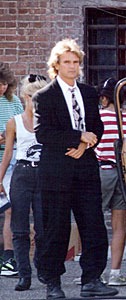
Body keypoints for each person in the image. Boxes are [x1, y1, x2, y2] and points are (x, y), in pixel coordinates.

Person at [33, 39, 118, 299]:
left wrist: (86, 144)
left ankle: (91, 279)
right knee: (55, 228)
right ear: (56, 66)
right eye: (66, 62)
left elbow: (98, 128)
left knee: (93, 225)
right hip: (56, 171)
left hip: (86, 168)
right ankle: (53, 283)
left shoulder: (89, 93)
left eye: (76, 62)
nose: (72, 67)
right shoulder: (44, 96)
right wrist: (78, 138)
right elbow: (43, 133)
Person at [0, 74, 48, 291]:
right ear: (25, 97)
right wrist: (0, 179)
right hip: (22, 173)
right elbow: (8, 153)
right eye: (33, 98)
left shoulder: (49, 121)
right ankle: (23, 273)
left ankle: (42, 267)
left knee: (43, 226)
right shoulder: (15, 122)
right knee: (19, 226)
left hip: (44, 174)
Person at [95, 78, 126, 286]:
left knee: (92, 223)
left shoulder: (96, 117)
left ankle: (93, 272)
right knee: (119, 225)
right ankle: (115, 273)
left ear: (104, 98)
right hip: (124, 174)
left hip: (101, 171)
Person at [0, 62, 23, 277]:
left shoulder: (15, 102)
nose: (1, 88)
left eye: (4, 84)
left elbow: (23, 128)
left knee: (10, 209)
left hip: (11, 163)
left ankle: (8, 256)